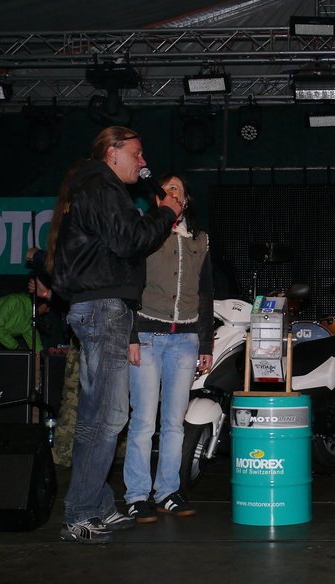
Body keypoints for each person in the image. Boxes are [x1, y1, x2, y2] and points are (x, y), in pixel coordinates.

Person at [51, 127, 183, 544]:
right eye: (137, 153)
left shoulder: (96, 187)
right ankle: (79, 514)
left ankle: (98, 504)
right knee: (104, 418)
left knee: (105, 415)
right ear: (112, 152)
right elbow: (130, 240)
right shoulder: (100, 186)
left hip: (104, 306)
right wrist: (165, 214)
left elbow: (116, 243)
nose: (143, 162)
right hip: (101, 307)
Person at [124, 173, 213, 523]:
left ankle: (168, 492)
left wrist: (205, 343)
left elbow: (205, 293)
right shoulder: (145, 232)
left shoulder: (200, 239)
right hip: (147, 336)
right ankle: (136, 495)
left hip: (185, 340)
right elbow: (130, 285)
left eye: (178, 188)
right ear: (158, 199)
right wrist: (131, 335)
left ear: (186, 199)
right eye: (167, 188)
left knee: (175, 423)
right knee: (144, 420)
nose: (172, 191)